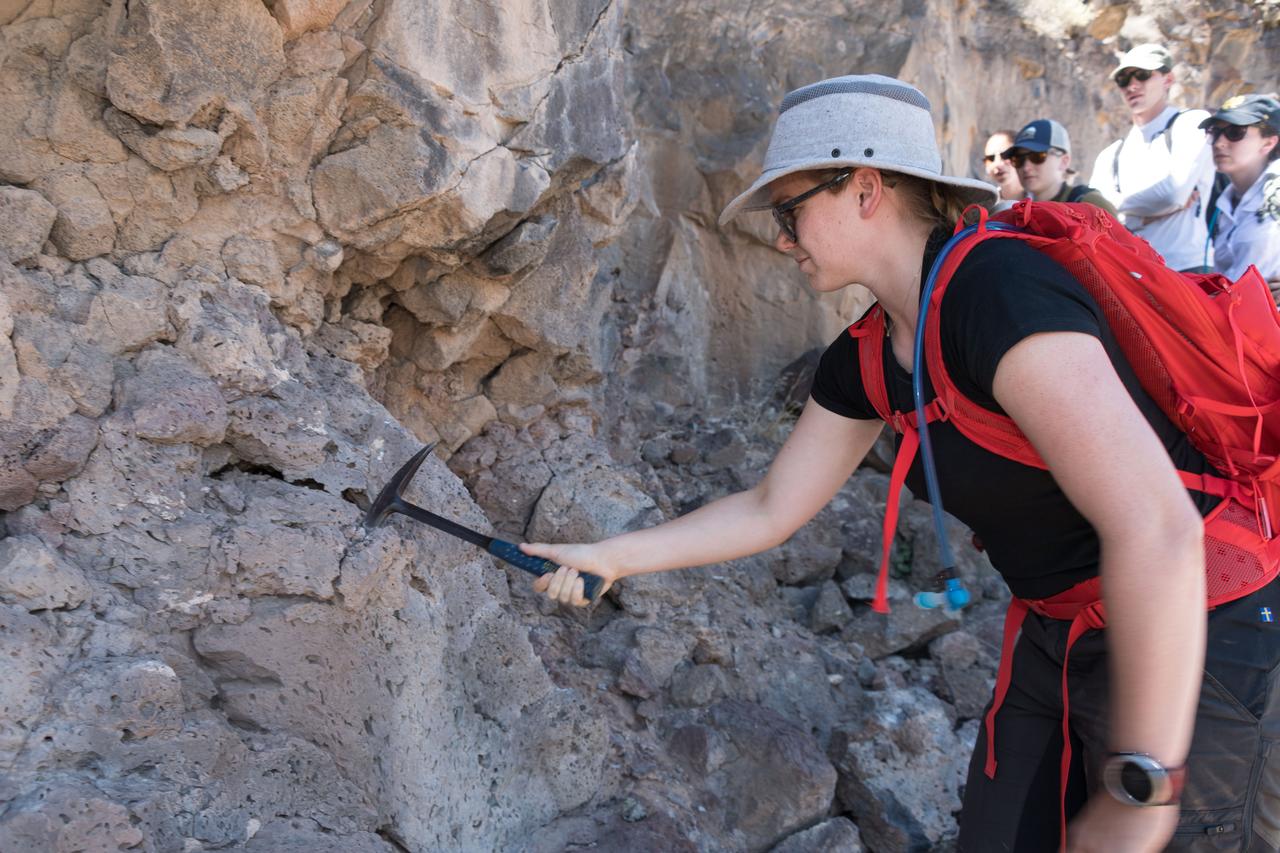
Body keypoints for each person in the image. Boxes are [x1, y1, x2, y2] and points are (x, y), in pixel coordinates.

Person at [522, 74, 1280, 850]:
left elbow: (1156, 526)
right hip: (1057, 628)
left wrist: (1141, 782)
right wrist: (608, 557)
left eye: (790, 210)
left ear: (865, 188)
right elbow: (771, 507)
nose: (781, 238)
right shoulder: (870, 356)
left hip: (1198, 615)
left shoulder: (1000, 292)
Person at [1089, 43, 1215, 272]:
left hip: (1186, 267)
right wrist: (1147, 209)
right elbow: (1096, 216)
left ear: (1168, 79)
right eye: (1124, 80)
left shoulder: (1191, 123)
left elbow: (1172, 194)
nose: (1132, 85)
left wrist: (1120, 205)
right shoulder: (1111, 154)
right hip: (1133, 273)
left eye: (1143, 75)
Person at [1199, 93, 1280, 291]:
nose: (1219, 143)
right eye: (1214, 132)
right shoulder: (1224, 203)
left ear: (1269, 142)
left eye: (1235, 132)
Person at [1002, 119, 1118, 215]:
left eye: (1037, 156)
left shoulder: (1091, 205)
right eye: (1018, 159)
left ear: (1064, 161)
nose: (1026, 167)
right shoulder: (1017, 213)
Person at [983, 129, 1023, 211]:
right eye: (990, 158)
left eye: (1005, 155)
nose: (997, 164)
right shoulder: (985, 204)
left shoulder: (1042, 197)